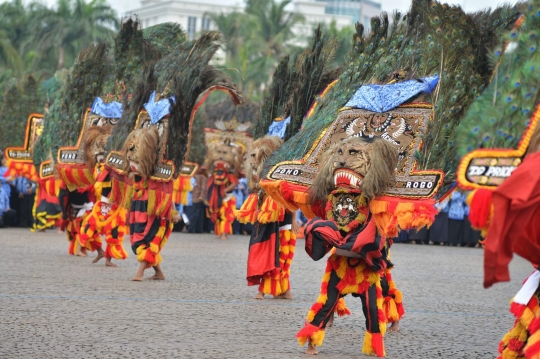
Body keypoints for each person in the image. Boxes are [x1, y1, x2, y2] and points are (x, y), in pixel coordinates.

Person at [188, 166, 207, 234]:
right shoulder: (196, 176)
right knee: (199, 213)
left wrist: (201, 196)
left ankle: (192, 229)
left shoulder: (202, 177)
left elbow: (203, 187)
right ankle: (198, 229)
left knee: (195, 213)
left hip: (197, 197)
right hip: (194, 196)